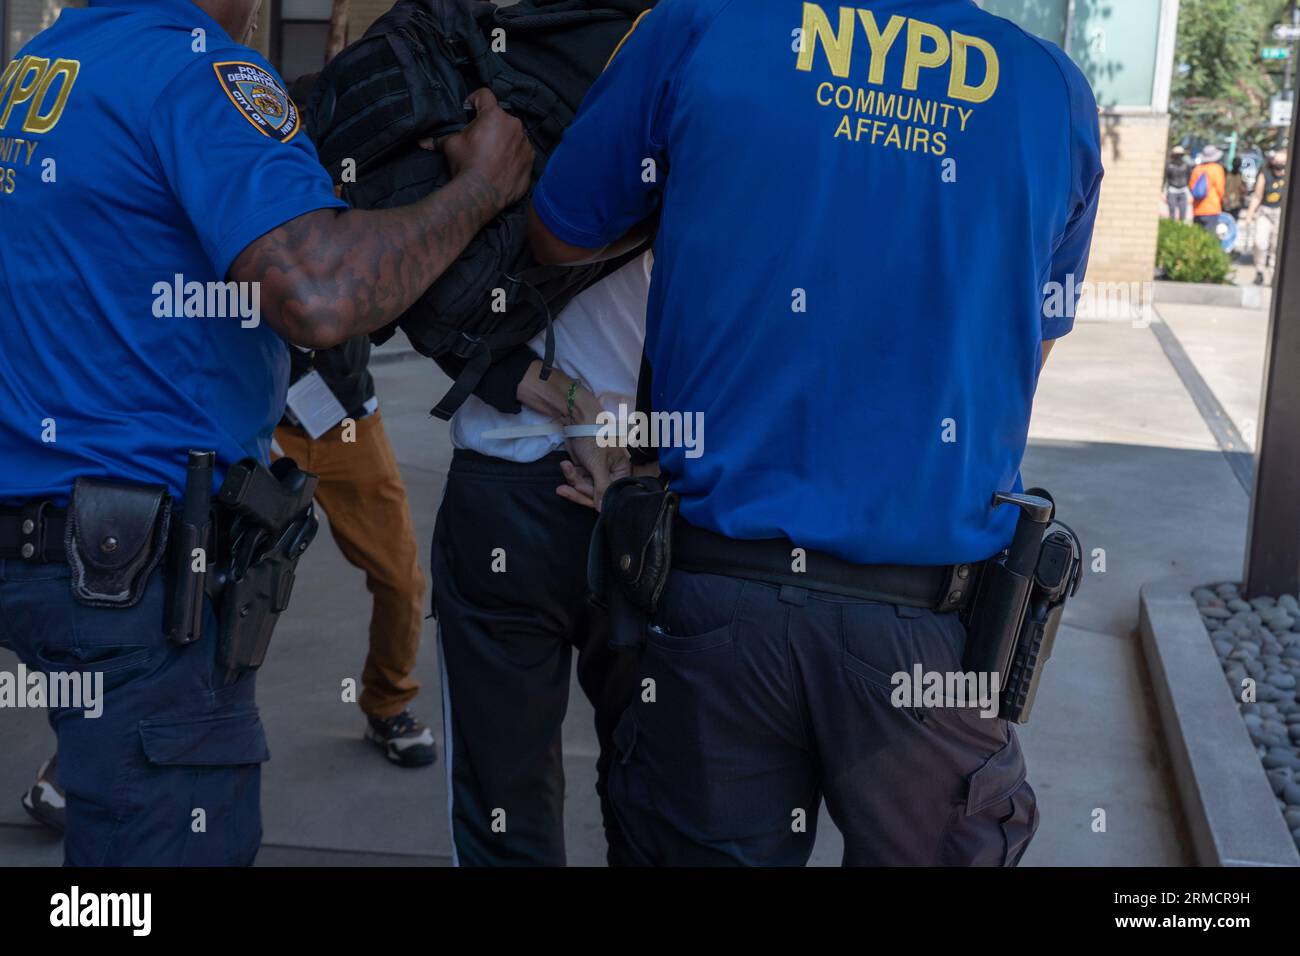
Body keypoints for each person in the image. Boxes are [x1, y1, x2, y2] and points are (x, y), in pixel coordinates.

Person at [527, 0, 1103, 865]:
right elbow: (1030, 343)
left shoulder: (704, 27)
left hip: (716, 603)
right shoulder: (1052, 91)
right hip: (927, 627)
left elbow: (560, 233)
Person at [0, 0, 531, 866]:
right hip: (131, 574)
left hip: (42, 541)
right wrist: (480, 189)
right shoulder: (203, 74)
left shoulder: (48, 62)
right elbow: (317, 294)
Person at [431, 254, 649, 866]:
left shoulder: (483, 160)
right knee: (656, 788)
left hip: (513, 486)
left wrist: (554, 391)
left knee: (503, 804)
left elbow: (418, 296)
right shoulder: (683, 160)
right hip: (639, 487)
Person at [273, 339, 435, 767]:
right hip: (259, 421)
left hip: (348, 421)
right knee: (224, 580)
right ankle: (197, 715)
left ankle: (388, 705)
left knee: (402, 580)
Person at [1245, 148, 1288, 286]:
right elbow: (1257, 196)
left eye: (1282, 161)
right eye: (1277, 160)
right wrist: (1250, 214)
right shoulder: (1265, 174)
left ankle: (1275, 275)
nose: (1279, 163)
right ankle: (1259, 272)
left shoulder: (1289, 175)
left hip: (1281, 212)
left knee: (1277, 246)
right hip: (1265, 211)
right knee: (1260, 242)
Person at [1191, 145, 1228, 235]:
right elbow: (1220, 190)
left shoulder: (1197, 169)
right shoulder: (1217, 169)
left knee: (1197, 237)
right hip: (1212, 208)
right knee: (1209, 237)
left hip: (1197, 208)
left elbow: (1192, 187)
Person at [1165, 145, 1191, 223]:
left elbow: (1188, 177)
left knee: (1183, 214)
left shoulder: (1186, 165)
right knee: (1172, 213)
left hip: (1183, 190)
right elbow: (1167, 177)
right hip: (1172, 190)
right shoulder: (1169, 165)